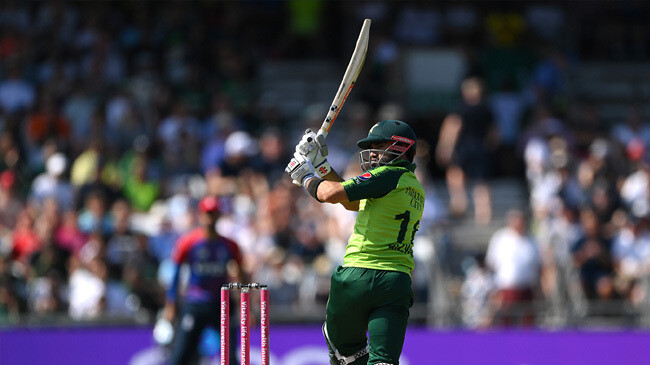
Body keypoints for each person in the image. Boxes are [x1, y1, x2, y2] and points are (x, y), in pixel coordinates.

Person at [286, 119, 425, 365]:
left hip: (358, 276)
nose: (372, 152)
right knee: (384, 361)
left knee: (343, 351)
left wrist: (304, 175)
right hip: (396, 282)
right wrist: (321, 165)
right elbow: (350, 201)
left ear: (401, 147)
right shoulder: (413, 186)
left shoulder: (388, 175)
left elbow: (329, 194)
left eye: (379, 145)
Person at [162, 196, 246, 365]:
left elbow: (240, 275)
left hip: (222, 304)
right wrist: (171, 304)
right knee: (182, 354)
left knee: (230, 357)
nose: (210, 218)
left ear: (219, 216)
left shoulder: (229, 245)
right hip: (196, 303)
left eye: (214, 213)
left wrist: (244, 306)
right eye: (207, 213)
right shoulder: (189, 242)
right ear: (201, 215)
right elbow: (176, 275)